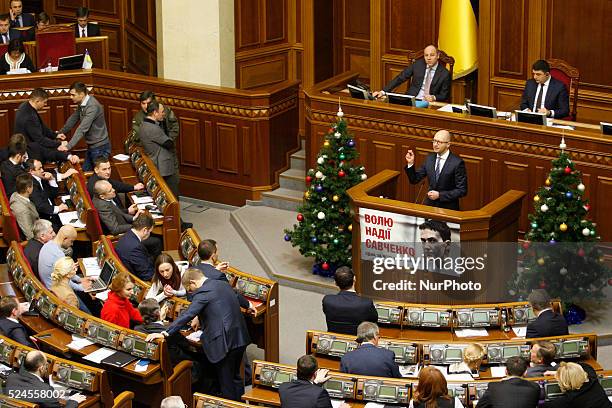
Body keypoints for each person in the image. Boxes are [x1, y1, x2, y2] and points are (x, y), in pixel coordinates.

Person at [145, 268, 251, 401]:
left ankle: (231, 404)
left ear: (193, 282)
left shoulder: (202, 293)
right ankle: (241, 404)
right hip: (239, 336)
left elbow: (188, 314)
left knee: (226, 383)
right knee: (235, 377)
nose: (191, 292)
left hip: (224, 343)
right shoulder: (221, 283)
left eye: (190, 289)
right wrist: (249, 305)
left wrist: (165, 333)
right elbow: (235, 296)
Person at [135, 299, 201, 382]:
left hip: (159, 365)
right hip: (176, 366)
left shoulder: (137, 329)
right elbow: (186, 345)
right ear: (158, 313)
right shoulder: (168, 332)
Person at [38, 225, 96, 315]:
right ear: (65, 238)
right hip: (59, 294)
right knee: (89, 315)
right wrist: (82, 287)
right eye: (71, 241)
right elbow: (65, 281)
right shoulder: (58, 255)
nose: (72, 244)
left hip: (54, 286)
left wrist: (80, 280)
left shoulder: (47, 245)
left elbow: (65, 274)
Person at [405, 129, 467, 210]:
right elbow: (414, 180)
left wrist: (440, 195)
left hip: (448, 209)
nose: (435, 144)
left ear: (448, 144)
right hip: (430, 207)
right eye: (434, 141)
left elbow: (462, 190)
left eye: (439, 142)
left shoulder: (457, 163)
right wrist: (410, 164)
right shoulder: (429, 158)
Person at [58, 81, 110, 171]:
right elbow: (73, 119)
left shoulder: (92, 106)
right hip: (92, 146)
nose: (70, 97)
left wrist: (68, 146)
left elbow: (82, 129)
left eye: (73, 95)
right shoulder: (82, 104)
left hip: (99, 147)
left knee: (99, 177)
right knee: (85, 172)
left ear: (81, 94)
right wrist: (60, 133)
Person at [5, 350, 87, 408]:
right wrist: (73, 401)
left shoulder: (11, 378)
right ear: (41, 368)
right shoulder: (45, 390)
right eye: (46, 365)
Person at [373, 45, 452, 102]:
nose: (428, 58)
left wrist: (434, 97)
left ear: (438, 56)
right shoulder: (418, 65)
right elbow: (400, 78)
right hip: (411, 100)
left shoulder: (445, 73)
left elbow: (444, 95)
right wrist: (383, 92)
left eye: (432, 55)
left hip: (430, 103)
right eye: (426, 55)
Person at [138, 100, 180, 202]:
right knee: (172, 195)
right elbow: (169, 143)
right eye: (162, 111)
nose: (164, 114)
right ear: (155, 113)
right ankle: (175, 217)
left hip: (159, 163)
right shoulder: (152, 128)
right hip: (163, 167)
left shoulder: (144, 124)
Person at [14, 88, 70, 161]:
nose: (45, 104)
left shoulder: (26, 105)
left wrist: (55, 135)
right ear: (37, 101)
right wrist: (59, 143)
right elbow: (39, 140)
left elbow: (42, 126)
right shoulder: (29, 116)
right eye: (44, 102)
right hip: (30, 152)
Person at [279, 354, 351, 408]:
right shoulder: (320, 393)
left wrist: (315, 383)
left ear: (297, 370)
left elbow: (303, 396)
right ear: (315, 374)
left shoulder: (283, 387)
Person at [322, 266, 377, 335]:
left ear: (335, 283)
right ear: (354, 279)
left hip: (335, 338)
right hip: (358, 340)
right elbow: (374, 319)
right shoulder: (366, 303)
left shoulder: (327, 300)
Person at [475, 356, 540, 408]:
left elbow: (479, 406)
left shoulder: (494, 387)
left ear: (506, 371)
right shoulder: (535, 387)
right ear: (525, 372)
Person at [542, 362, 612, 408]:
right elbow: (585, 365)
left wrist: (561, 373)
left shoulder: (570, 400)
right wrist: (562, 372)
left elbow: (545, 406)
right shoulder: (593, 379)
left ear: (566, 383)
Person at [114, 212, 160, 281]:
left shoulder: (127, 234)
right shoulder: (135, 248)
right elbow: (147, 275)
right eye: (150, 231)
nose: (149, 234)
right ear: (145, 230)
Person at [27, 159, 69, 232]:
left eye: (42, 167)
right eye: (39, 169)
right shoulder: (31, 184)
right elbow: (40, 206)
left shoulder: (41, 178)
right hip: (45, 219)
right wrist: (58, 208)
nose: (43, 170)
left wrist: (52, 179)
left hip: (52, 211)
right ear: (31, 171)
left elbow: (53, 194)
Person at [9, 173, 39, 240]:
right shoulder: (23, 210)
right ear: (28, 189)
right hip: (36, 235)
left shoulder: (15, 195)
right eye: (32, 186)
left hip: (37, 225)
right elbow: (30, 235)